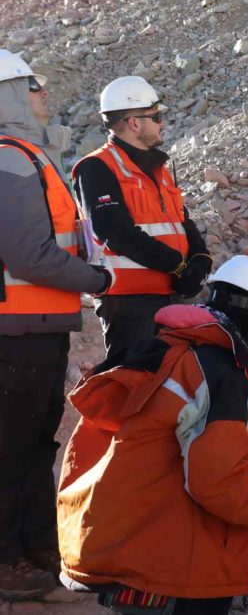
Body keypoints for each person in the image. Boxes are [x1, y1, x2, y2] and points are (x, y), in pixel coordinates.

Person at [56, 256, 248, 615]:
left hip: (131, 543)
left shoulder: (164, 350)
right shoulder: (219, 371)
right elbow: (218, 483)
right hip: (175, 570)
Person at [0, 50, 112, 599]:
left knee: (33, 443)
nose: (45, 92)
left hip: (35, 328)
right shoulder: (11, 159)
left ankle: (35, 546)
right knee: (10, 448)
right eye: (33, 84)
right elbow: (28, 256)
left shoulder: (26, 156)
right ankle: (6, 560)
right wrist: (98, 279)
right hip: (13, 334)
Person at [72, 76, 211, 358]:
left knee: (171, 388)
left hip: (171, 293)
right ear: (135, 122)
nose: (162, 122)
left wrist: (199, 258)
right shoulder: (97, 167)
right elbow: (115, 231)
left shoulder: (160, 167)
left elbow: (181, 220)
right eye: (156, 116)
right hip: (129, 302)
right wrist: (177, 266)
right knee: (133, 386)